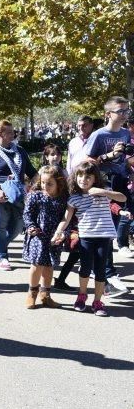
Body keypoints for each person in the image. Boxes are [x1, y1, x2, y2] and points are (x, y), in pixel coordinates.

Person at [52, 161, 126, 317]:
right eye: (80, 175)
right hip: (86, 237)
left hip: (104, 237)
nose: (83, 179)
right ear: (75, 177)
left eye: (88, 177)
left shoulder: (103, 192)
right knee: (85, 269)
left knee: (100, 271)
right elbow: (66, 218)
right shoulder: (74, 198)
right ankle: (82, 295)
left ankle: (97, 301)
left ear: (95, 179)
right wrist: (59, 231)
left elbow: (122, 198)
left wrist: (103, 192)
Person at [82, 96, 131, 297]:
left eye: (127, 110)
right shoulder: (99, 135)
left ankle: (99, 270)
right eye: (121, 111)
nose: (126, 114)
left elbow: (126, 159)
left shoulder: (127, 133)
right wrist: (109, 156)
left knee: (116, 225)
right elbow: (85, 162)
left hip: (120, 181)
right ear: (108, 114)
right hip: (103, 183)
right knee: (106, 231)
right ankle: (107, 275)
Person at [0, 120, 38, 271]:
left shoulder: (20, 151)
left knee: (19, 225)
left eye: (13, 132)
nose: (13, 134)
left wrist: (36, 186)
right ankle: (2, 256)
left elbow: (32, 172)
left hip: (17, 194)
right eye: (10, 132)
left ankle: (0, 244)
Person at [22, 166, 68, 309]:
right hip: (38, 235)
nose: (45, 186)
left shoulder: (63, 199)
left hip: (54, 237)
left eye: (50, 184)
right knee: (37, 264)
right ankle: (32, 294)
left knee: (49, 265)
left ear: (58, 183)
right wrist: (30, 226)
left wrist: (63, 234)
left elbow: (67, 219)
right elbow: (27, 214)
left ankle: (45, 295)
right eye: (43, 183)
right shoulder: (35, 196)